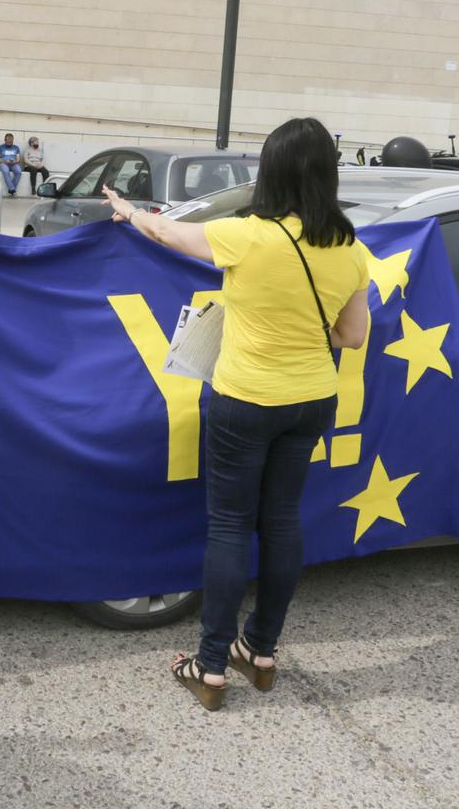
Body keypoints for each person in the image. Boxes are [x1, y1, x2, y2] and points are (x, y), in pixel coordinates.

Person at [104, 116, 371, 709]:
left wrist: (128, 211)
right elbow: (352, 337)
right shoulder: (351, 248)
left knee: (229, 525)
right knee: (281, 523)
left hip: (245, 397)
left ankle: (210, 665)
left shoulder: (247, 235)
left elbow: (170, 235)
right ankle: (263, 652)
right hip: (311, 400)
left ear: (270, 171)